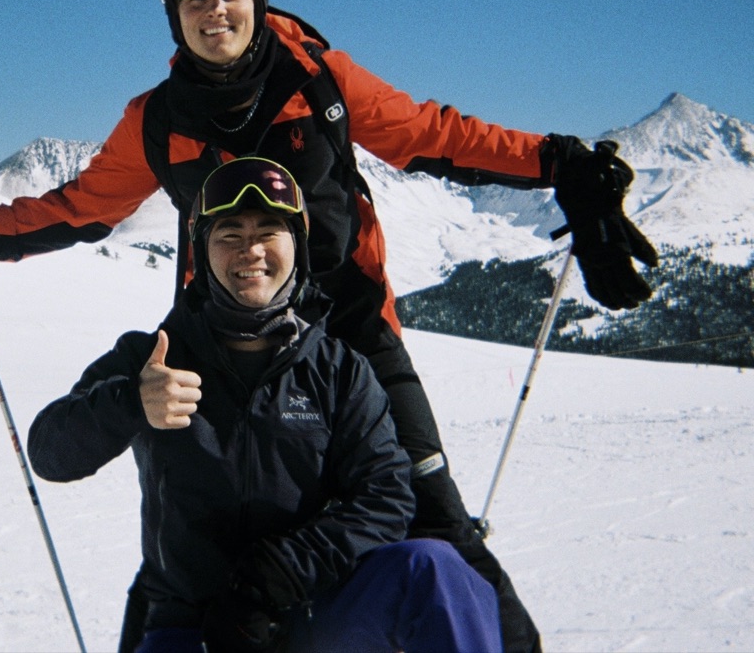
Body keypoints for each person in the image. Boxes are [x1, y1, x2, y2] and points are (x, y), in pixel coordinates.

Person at [0, 0, 659, 652]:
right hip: (221, 332)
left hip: (354, 328)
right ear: (174, 17)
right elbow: (83, 207)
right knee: (189, 525)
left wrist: (559, 164)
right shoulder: (158, 120)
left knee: (434, 522)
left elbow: (433, 135)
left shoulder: (320, 79)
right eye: (192, 0)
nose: (213, 9)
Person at [27, 157, 503, 652]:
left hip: (314, 609)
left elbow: (386, 497)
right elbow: (48, 453)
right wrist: (129, 402)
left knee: (433, 569)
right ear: (202, 252)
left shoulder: (340, 370)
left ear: (296, 246)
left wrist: (278, 575)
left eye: (268, 232)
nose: (249, 250)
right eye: (228, 234)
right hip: (192, 623)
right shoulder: (149, 358)